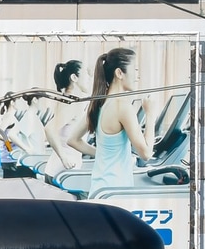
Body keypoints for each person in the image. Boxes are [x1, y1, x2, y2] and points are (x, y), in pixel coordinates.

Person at [67, 47, 155, 198]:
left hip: (100, 190)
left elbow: (72, 140)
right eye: (135, 69)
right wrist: (150, 114)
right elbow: (146, 153)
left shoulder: (98, 103)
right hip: (115, 193)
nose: (138, 76)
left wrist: (103, 153)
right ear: (119, 73)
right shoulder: (123, 107)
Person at [42, 59, 93, 177]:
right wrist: (64, 158)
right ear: (74, 78)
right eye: (86, 74)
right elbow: (49, 129)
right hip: (63, 172)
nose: (90, 79)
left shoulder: (71, 100)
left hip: (61, 171)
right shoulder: (71, 103)